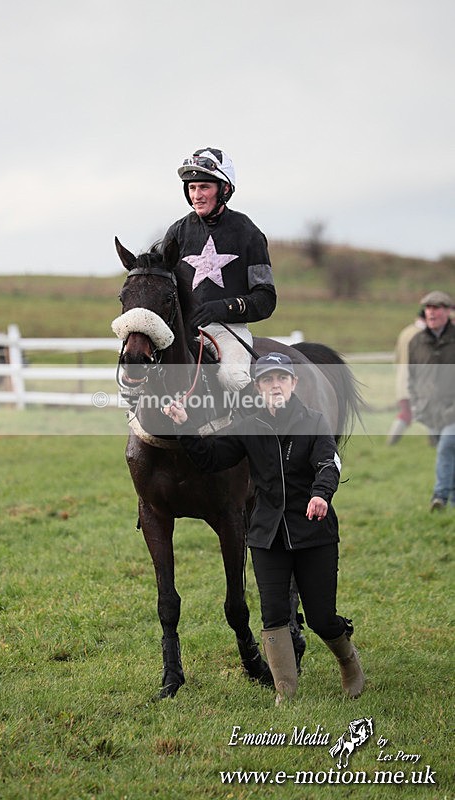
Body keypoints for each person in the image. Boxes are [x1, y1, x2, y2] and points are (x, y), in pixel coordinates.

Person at [163, 353, 365, 705]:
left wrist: (321, 495)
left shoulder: (314, 421)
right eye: (268, 380)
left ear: (293, 384)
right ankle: (285, 692)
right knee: (273, 614)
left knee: (321, 617)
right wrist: (185, 424)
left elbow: (328, 464)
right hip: (266, 534)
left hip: (313, 531)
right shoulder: (248, 426)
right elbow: (210, 459)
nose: (275, 386)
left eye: (281, 379)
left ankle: (349, 663)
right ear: (258, 387)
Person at [163, 148, 276, 392]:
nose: (197, 195)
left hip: (227, 332)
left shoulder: (249, 233)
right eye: (192, 188)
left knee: (233, 378)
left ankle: (264, 428)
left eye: (204, 187)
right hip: (182, 331)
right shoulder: (177, 232)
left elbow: (266, 299)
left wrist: (222, 308)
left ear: (224, 189)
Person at [408, 290, 455, 511]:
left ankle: (440, 497)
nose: (431, 312)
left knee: (447, 446)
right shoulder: (416, 342)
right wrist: (416, 403)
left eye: (436, 308)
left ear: (448, 311)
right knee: (446, 451)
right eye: (428, 308)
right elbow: (412, 376)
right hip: (430, 411)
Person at [386, 310, 426, 445]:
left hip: (402, 381)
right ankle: (390, 443)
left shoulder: (406, 331)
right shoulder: (422, 335)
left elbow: (396, 358)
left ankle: (390, 444)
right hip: (418, 383)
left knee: (407, 413)